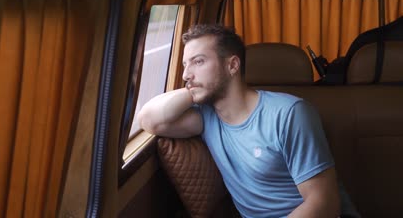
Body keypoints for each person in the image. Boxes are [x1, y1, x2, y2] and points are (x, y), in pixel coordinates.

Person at [137, 24, 340, 217]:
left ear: (232, 65)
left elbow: (324, 204)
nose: (185, 74)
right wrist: (195, 88)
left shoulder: (290, 114)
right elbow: (150, 120)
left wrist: (201, 85)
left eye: (198, 62)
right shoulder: (207, 117)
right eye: (184, 64)